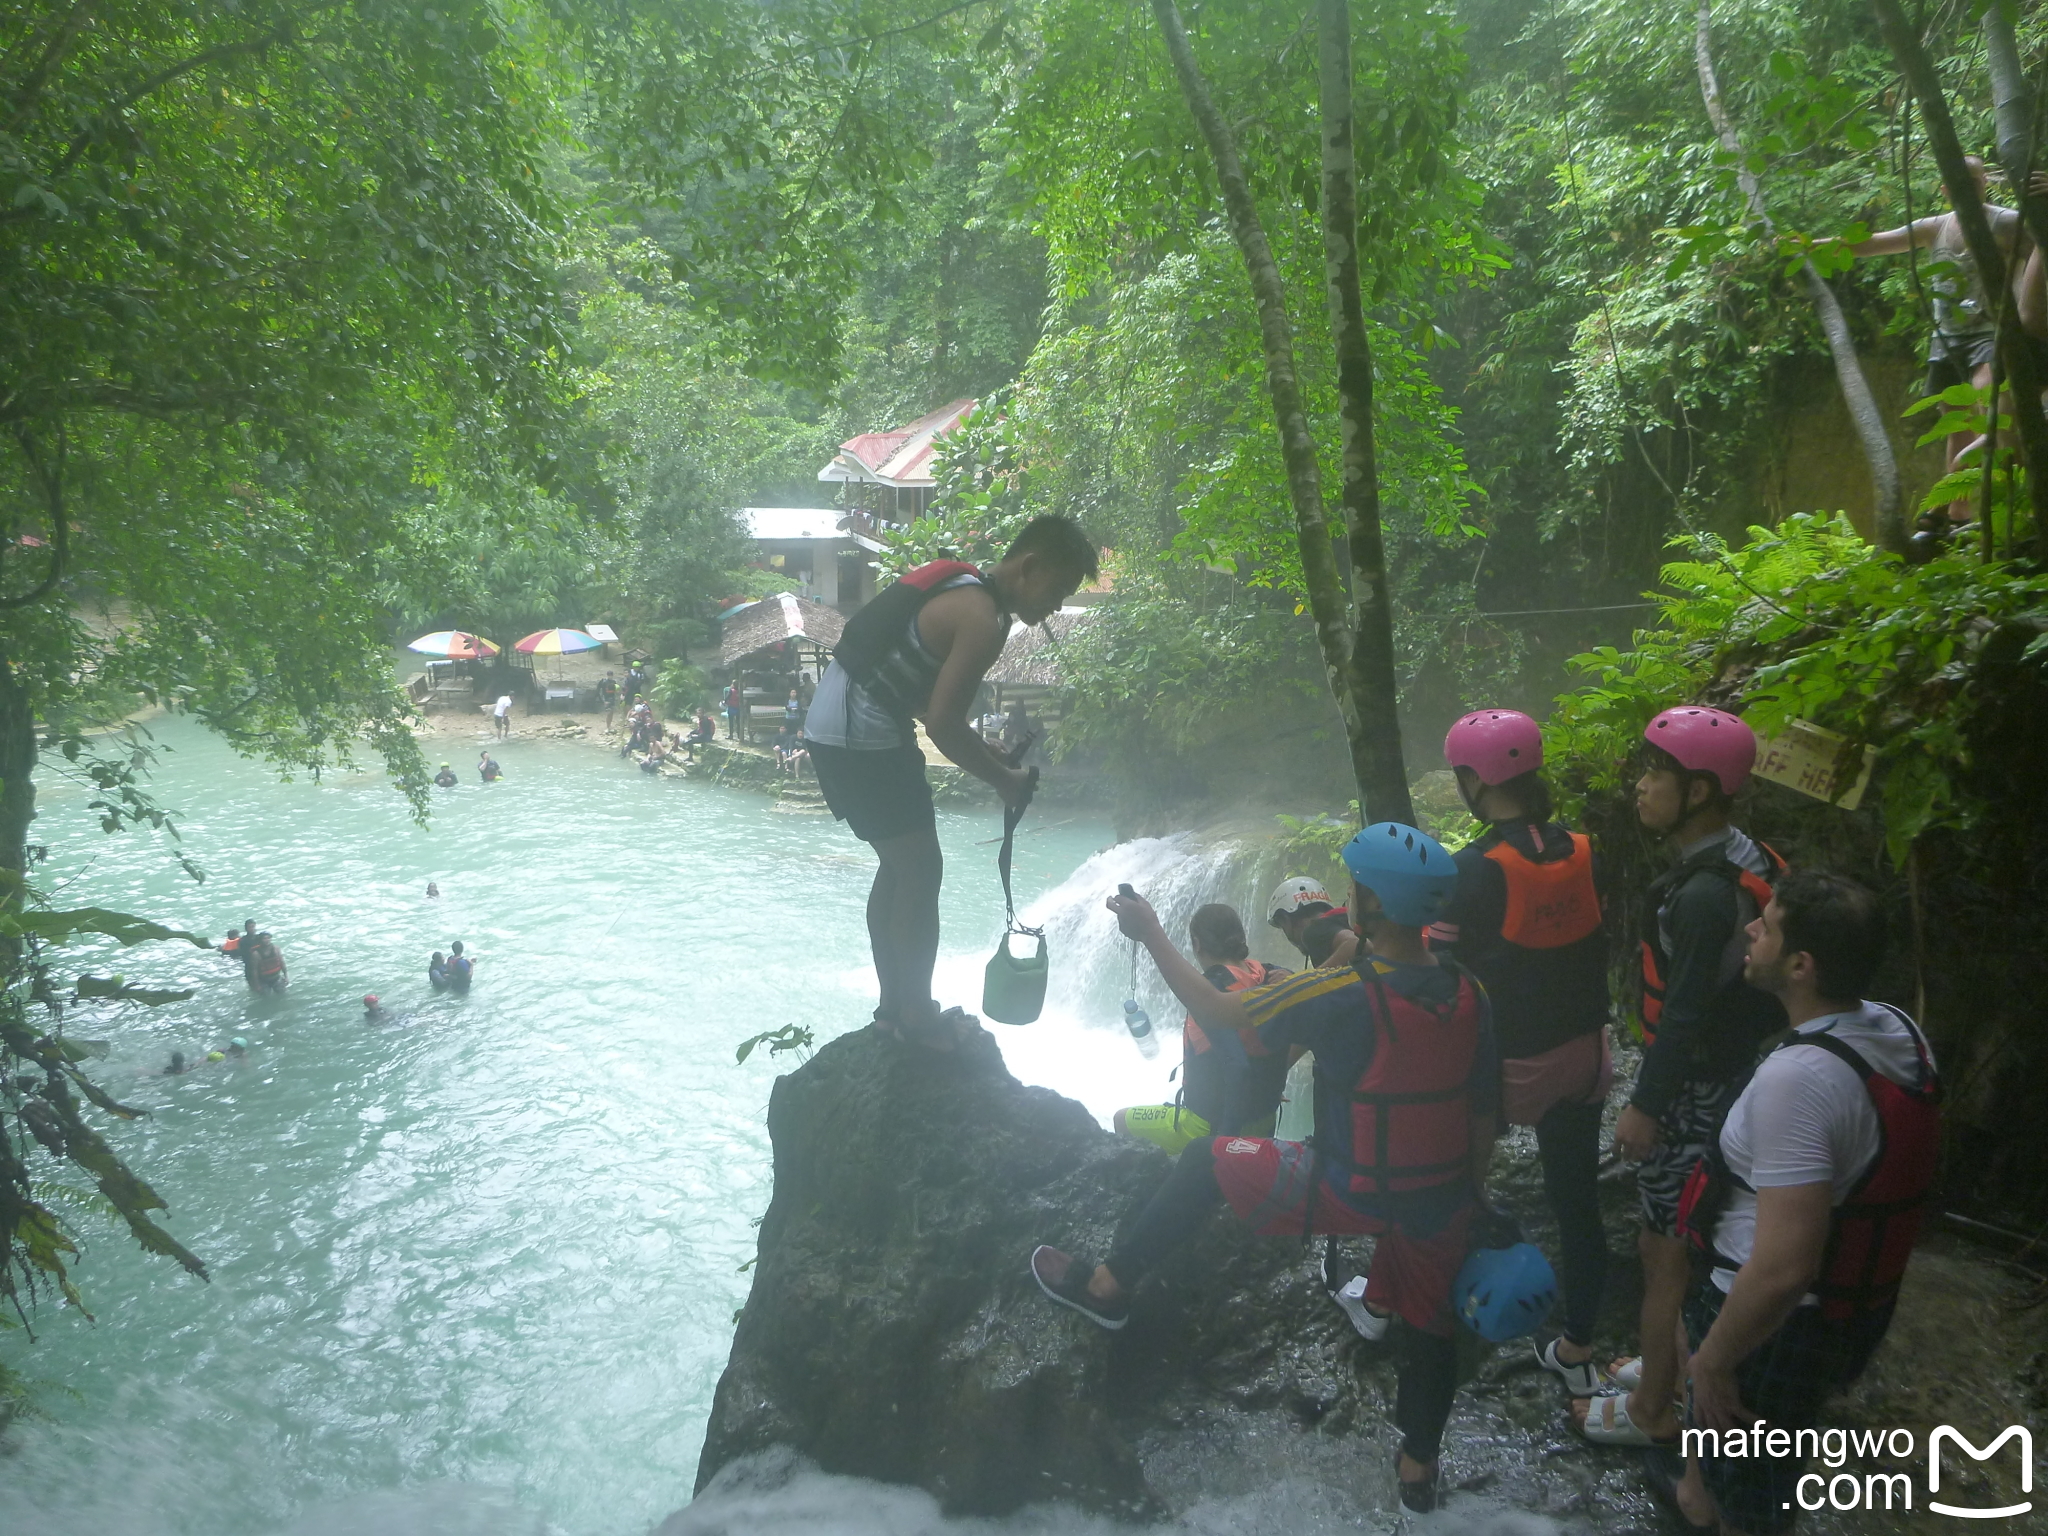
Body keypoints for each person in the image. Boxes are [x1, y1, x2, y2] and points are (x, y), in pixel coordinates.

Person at [1031, 822, 1496, 1514]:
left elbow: (1218, 1008)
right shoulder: (1472, 994)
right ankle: (1418, 1472)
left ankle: (1107, 1286)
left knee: (1204, 1157)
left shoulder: (1338, 994)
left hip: (1346, 1189)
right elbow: (1485, 1118)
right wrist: (1461, 1204)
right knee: (1432, 1325)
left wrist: (1151, 929)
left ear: (1369, 905)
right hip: (1439, 1197)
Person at [1654, 871, 1939, 1535]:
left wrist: (1717, 1360)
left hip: (1768, 1325)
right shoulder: (1895, 1028)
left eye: (1768, 926)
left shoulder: (1800, 1080)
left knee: (1753, 1503)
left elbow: (1784, 1268)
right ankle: (1697, 1497)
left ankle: (1716, 1508)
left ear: (1801, 965)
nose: (1750, 929)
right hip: (1838, 1308)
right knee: (1735, 1465)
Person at [803, 515, 1098, 1050]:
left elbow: (908, 684)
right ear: (1029, 567)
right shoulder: (984, 618)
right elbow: (941, 725)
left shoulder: (958, 582)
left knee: (900, 868)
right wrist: (1005, 781)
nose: (1055, 606)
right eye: (1057, 590)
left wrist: (981, 750)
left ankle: (894, 1006)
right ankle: (915, 1014)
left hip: (834, 724)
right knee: (921, 870)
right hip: (862, 734)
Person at [1578, 706, 1786, 1448]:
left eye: (1656, 774)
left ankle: (1653, 1411)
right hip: (1736, 1074)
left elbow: (1686, 1017)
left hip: (1698, 1091)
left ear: (1698, 792)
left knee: (1662, 1247)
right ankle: (1662, 1363)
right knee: (1684, 1239)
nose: (1640, 786)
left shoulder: (1702, 898)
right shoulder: (1743, 857)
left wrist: (1645, 1107)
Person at [1432, 710, 1613, 1400]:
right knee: (1578, 1207)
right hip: (1585, 1057)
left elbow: (1437, 968)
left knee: (1456, 1193)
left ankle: (1441, 1318)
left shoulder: (1470, 870)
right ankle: (1578, 1345)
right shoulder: (1588, 849)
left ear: (1475, 780)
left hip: (1504, 1073)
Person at [1837, 154, 2032, 526]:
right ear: (1944, 189)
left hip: (1991, 332)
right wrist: (1812, 246)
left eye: (1974, 181)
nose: (1968, 189)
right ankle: (1956, 517)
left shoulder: (2005, 222)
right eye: (1959, 183)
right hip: (1946, 338)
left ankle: (1997, 511)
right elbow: (1877, 243)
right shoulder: (1935, 227)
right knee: (1954, 426)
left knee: (1988, 407)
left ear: (1985, 183)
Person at [1113, 903, 1293, 1154]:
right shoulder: (1268, 973)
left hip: (1208, 1126)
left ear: (1197, 944)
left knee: (1121, 1120)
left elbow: (1237, 1065)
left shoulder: (1211, 992)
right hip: (1265, 1120)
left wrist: (1223, 1144)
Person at [1266, 876, 1354, 968]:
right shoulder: (1344, 919)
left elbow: (1354, 943)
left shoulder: (1312, 931)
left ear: (1286, 919)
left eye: (1282, 926)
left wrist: (1313, 977)